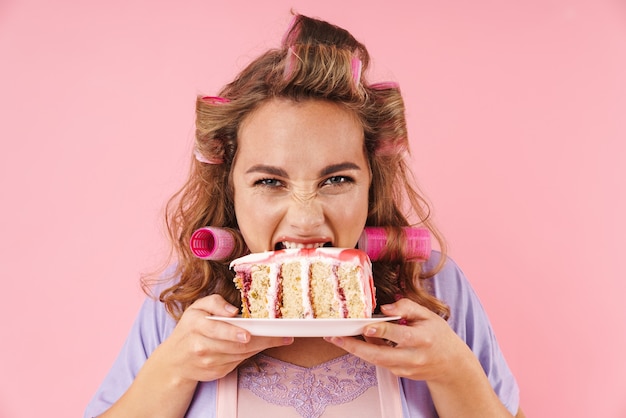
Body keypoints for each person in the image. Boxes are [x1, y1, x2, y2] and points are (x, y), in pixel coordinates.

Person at [85, 13, 524, 418]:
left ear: (372, 183)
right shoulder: (181, 297)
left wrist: (455, 374)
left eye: (336, 180)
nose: (306, 219)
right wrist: (172, 372)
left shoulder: (431, 285)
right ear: (231, 189)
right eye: (269, 182)